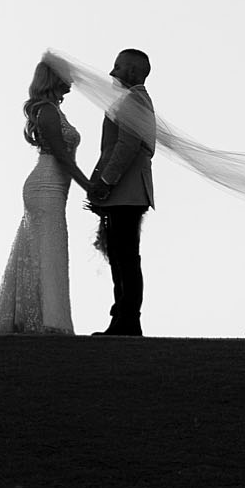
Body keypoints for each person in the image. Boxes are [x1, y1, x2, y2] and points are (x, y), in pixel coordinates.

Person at [0, 58, 93, 334]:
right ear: (54, 79)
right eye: (67, 76)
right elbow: (60, 155)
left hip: (55, 187)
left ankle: (42, 317)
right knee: (49, 248)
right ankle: (50, 321)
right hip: (45, 186)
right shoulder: (47, 111)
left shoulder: (53, 111)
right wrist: (88, 185)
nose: (72, 81)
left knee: (46, 248)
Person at [86, 46, 155, 336]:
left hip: (126, 191)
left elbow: (125, 147)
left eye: (118, 66)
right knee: (120, 255)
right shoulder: (135, 100)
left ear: (133, 71)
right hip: (127, 191)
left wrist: (105, 182)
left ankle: (127, 320)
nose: (112, 72)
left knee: (125, 257)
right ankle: (124, 319)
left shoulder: (133, 101)